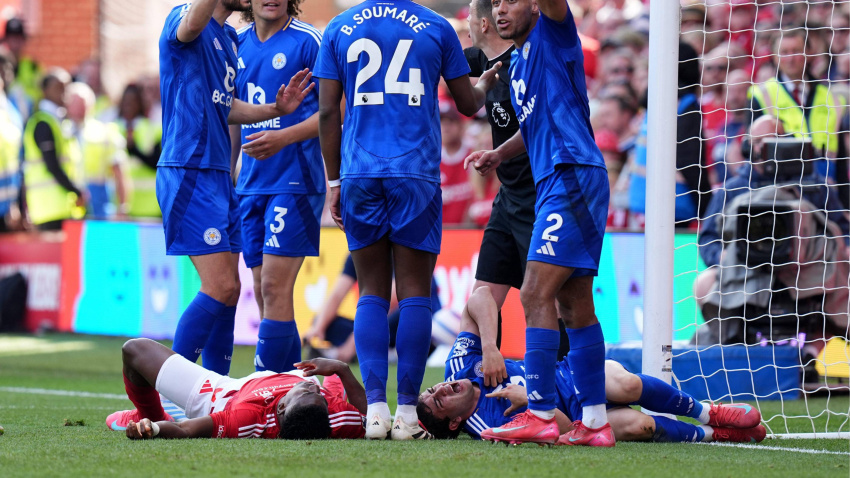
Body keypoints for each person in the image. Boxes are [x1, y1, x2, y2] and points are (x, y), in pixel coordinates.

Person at [314, 0, 499, 440]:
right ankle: (408, 415)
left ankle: (375, 411)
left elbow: (325, 113)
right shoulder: (436, 26)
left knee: (371, 294)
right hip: (414, 173)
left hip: (359, 172)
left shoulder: (339, 27)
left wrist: (334, 181)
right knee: (415, 295)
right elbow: (468, 103)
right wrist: (487, 78)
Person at [465, 0, 613, 447]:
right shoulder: (521, 62)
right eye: (496, 4)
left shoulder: (554, 31)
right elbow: (531, 130)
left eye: (512, 0)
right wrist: (497, 154)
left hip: (571, 175)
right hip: (559, 179)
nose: (501, 10)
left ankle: (542, 412)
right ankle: (595, 423)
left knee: (533, 292)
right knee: (574, 306)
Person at [155, 0, 313, 382]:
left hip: (218, 176)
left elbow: (226, 106)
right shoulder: (186, 17)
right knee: (223, 285)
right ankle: (170, 389)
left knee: (232, 290)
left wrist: (275, 108)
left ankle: (218, 390)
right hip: (188, 171)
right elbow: (194, 20)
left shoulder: (226, 39)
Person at [417, 287, 766, 444]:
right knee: (639, 425)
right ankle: (715, 435)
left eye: (432, 388)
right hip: (582, 419)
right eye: (439, 400)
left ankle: (709, 412)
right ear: (455, 423)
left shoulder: (461, 365)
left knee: (624, 384)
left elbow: (478, 299)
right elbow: (565, 431)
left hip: (572, 373)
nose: (442, 388)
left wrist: (490, 347)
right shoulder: (485, 425)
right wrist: (531, 400)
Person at [232, 0, 325, 373]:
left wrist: (283, 137)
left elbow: (336, 110)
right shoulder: (234, 41)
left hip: (295, 179)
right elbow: (231, 112)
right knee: (262, 291)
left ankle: (265, 388)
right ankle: (294, 390)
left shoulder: (308, 42)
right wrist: (228, 170)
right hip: (250, 184)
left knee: (273, 287)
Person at [106, 338, 365, 440]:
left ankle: (146, 412)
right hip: (268, 380)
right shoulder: (333, 415)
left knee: (134, 350)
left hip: (220, 393)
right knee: (331, 384)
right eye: (320, 395)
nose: (312, 388)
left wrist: (153, 427)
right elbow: (369, 419)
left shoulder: (248, 418)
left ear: (283, 406)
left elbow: (187, 429)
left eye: (308, 392)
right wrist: (341, 368)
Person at [464, 0, 537, 341]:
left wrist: (498, 152)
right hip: (508, 197)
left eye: (469, 18)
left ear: (483, 26)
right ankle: (477, 377)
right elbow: (440, 59)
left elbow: (539, 125)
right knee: (482, 295)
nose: (465, 25)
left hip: (538, 196)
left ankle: (564, 380)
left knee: (543, 298)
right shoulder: (484, 61)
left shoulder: (527, 62)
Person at [749, 29, 846, 184]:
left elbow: (841, 157)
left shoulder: (831, 98)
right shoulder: (760, 95)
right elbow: (753, 151)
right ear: (775, 57)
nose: (791, 58)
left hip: (827, 189)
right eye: (784, 52)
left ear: (809, 53)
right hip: (781, 187)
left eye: (796, 51)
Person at [22, 68, 87, 231]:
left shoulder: (60, 121)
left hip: (63, 206)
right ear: (45, 91)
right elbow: (52, 165)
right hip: (48, 208)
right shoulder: (43, 122)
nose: (63, 93)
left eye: (66, 88)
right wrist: (76, 190)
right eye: (58, 88)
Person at [66, 82, 129, 220]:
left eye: (83, 103)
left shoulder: (105, 132)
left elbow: (119, 172)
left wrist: (123, 206)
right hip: (68, 203)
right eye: (75, 103)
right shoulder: (62, 132)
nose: (79, 108)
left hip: (99, 203)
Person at [117, 84, 162, 218]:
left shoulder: (153, 129)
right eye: (126, 101)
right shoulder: (112, 128)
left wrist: (134, 150)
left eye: (133, 101)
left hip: (151, 205)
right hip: (120, 205)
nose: (128, 105)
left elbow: (157, 163)